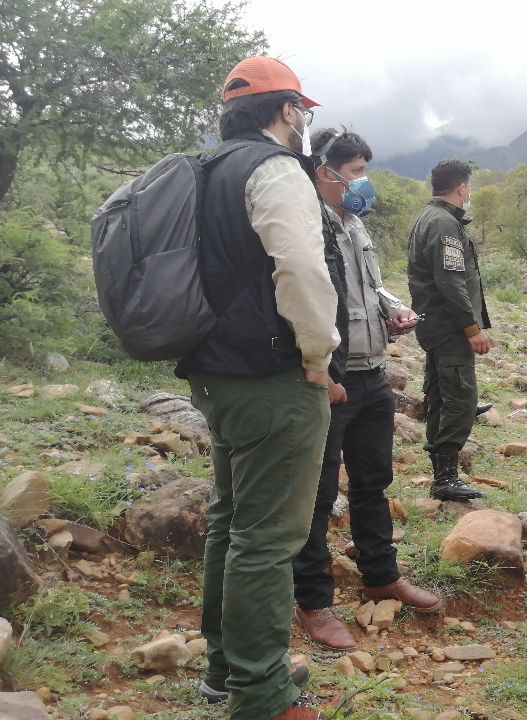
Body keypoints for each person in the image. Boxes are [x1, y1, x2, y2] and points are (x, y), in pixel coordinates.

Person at [177, 57, 339, 720]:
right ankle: (262, 694)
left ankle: (226, 670)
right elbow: (299, 268)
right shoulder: (274, 168)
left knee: (232, 523)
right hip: (272, 377)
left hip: (214, 372)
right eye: (302, 110)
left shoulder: (208, 169)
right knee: (267, 538)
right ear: (286, 110)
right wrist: (318, 356)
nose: (304, 121)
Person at [291, 129, 444, 651]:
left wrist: (392, 310)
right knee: (317, 494)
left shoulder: (356, 226)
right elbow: (299, 297)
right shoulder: (305, 224)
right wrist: (320, 371)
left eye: (364, 171)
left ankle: (381, 574)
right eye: (356, 172)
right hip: (329, 379)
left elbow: (370, 287)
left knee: (373, 483)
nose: (364, 182)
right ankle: (314, 600)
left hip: (373, 373)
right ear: (324, 172)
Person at [408, 159, 490, 501]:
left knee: (441, 396)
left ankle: (441, 470)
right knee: (460, 399)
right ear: (462, 187)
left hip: (438, 326)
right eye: (469, 187)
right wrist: (472, 328)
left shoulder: (432, 217)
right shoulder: (443, 223)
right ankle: (445, 477)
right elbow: (451, 282)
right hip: (449, 328)